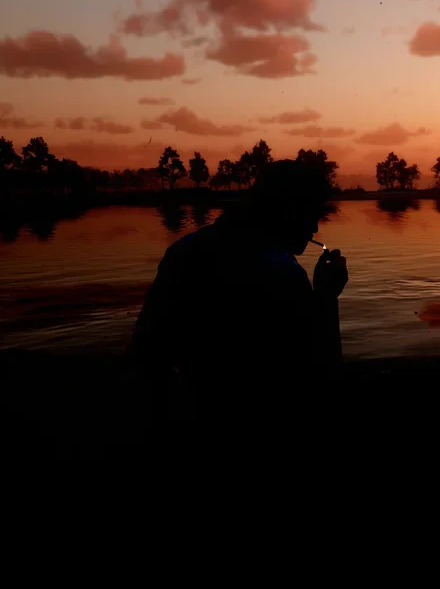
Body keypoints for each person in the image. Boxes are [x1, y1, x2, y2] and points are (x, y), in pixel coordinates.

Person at [130, 159, 348, 444]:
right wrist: (326, 298)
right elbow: (319, 378)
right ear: (288, 209)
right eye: (312, 214)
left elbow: (147, 353)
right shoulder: (281, 273)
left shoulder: (185, 252)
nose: (315, 228)